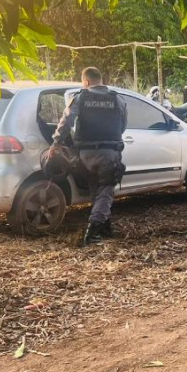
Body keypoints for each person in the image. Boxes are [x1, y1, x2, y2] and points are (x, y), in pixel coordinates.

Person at [50, 67, 128, 246]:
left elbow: (66, 121)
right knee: (106, 191)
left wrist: (56, 143)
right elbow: (122, 125)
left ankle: (105, 228)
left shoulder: (80, 97)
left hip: (85, 154)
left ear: (86, 82)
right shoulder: (117, 99)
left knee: (95, 189)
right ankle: (93, 231)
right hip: (109, 151)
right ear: (101, 80)